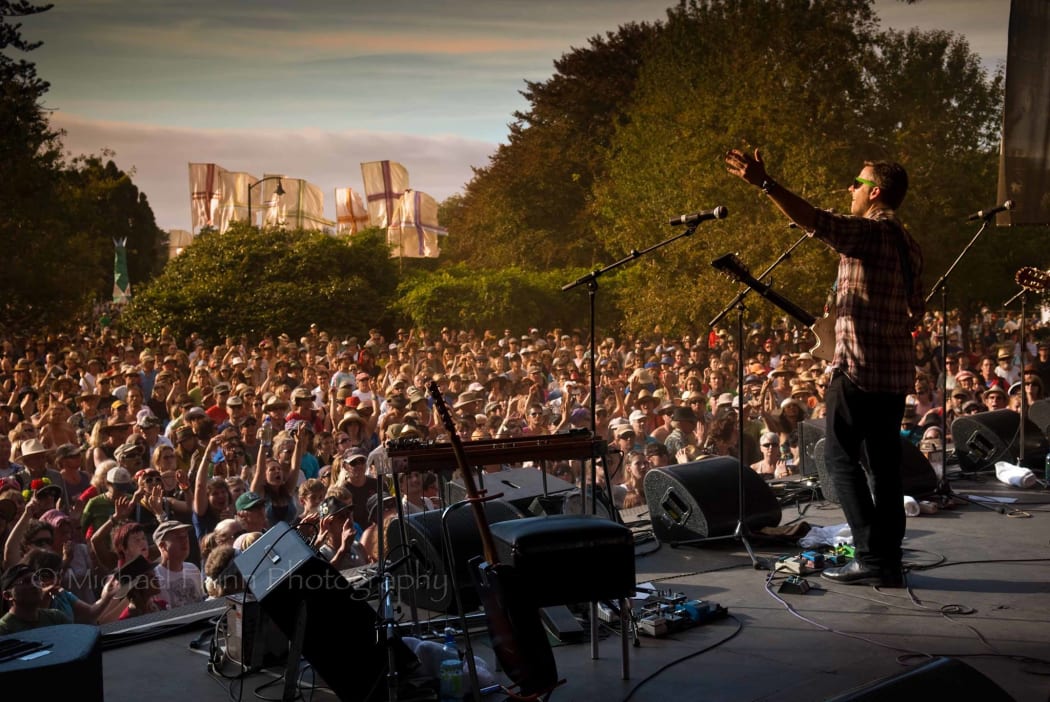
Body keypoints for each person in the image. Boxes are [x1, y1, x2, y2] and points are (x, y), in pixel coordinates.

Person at [726, 149, 922, 588]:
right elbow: (916, 310)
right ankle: (887, 559)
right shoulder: (909, 244)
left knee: (838, 459)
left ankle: (871, 558)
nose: (849, 189)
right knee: (885, 468)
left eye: (857, 182)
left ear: (875, 192)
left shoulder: (872, 232)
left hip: (857, 370)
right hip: (892, 375)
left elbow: (819, 221)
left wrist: (766, 183)